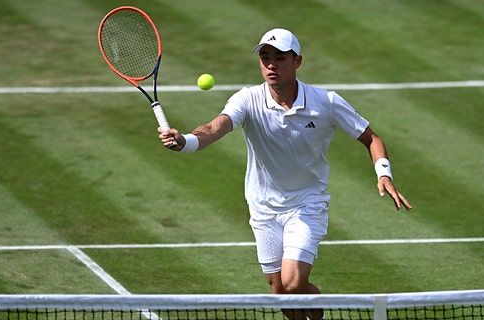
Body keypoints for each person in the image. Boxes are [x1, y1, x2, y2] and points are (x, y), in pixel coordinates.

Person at [158, 28, 412, 319]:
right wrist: (184, 142)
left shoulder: (325, 102)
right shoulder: (247, 99)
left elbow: (371, 138)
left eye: (279, 58)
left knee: (293, 282)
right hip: (263, 208)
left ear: (297, 61)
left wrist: (384, 174)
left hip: (306, 205)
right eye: (265, 58)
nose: (271, 65)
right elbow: (214, 129)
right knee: (280, 293)